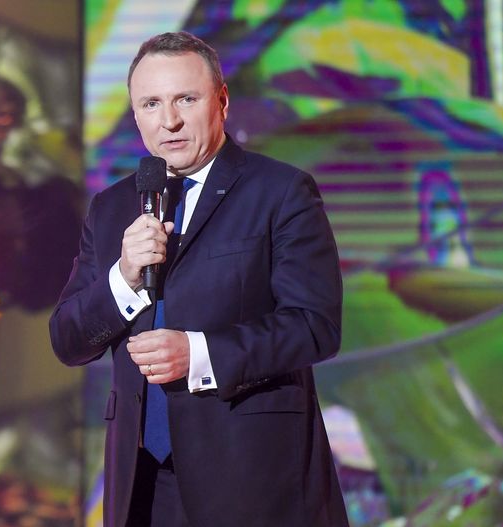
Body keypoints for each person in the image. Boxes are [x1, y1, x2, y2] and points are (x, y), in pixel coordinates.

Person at [50, 31, 347, 526]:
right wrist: (124, 277)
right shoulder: (111, 208)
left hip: (249, 479)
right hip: (143, 484)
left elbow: (315, 325)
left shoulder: (280, 191)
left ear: (222, 101)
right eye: (150, 104)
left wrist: (199, 354)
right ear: (135, 113)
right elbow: (67, 340)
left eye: (186, 99)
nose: (168, 121)